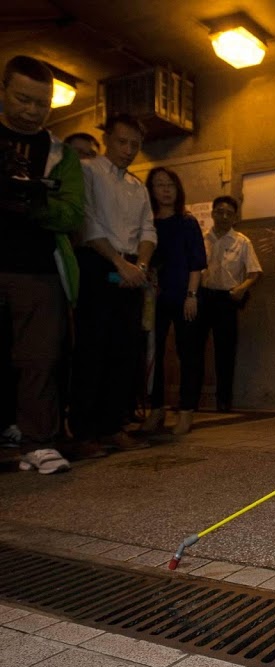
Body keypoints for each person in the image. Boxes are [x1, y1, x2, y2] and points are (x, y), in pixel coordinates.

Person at [0, 55, 84, 474]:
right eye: (23, 99)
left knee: (39, 359)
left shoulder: (60, 155)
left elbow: (73, 215)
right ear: (3, 90)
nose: (33, 111)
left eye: (42, 103)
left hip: (39, 269)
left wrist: (35, 203)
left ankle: (38, 441)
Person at [69, 112, 156, 456]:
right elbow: (87, 223)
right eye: (122, 141)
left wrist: (139, 266)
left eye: (135, 144)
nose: (129, 149)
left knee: (125, 352)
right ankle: (84, 433)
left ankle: (114, 426)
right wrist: (118, 264)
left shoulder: (138, 186)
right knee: (93, 350)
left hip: (133, 270)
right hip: (97, 264)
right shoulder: (87, 171)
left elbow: (148, 231)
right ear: (107, 139)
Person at [141, 167, 206, 435]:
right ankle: (156, 410)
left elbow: (196, 263)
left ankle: (186, 410)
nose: (166, 190)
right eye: (159, 185)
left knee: (188, 354)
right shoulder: (146, 225)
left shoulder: (187, 222)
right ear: (151, 191)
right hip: (152, 299)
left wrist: (191, 295)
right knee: (151, 355)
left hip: (183, 296)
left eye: (171, 184)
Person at [196, 195, 261, 413]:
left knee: (225, 352)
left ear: (235, 217)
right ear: (212, 213)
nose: (224, 217)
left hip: (227, 299)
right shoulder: (201, 238)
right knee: (195, 349)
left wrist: (241, 288)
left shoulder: (242, 241)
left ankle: (224, 401)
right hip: (201, 296)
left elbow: (254, 272)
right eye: (219, 212)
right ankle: (191, 400)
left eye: (229, 213)